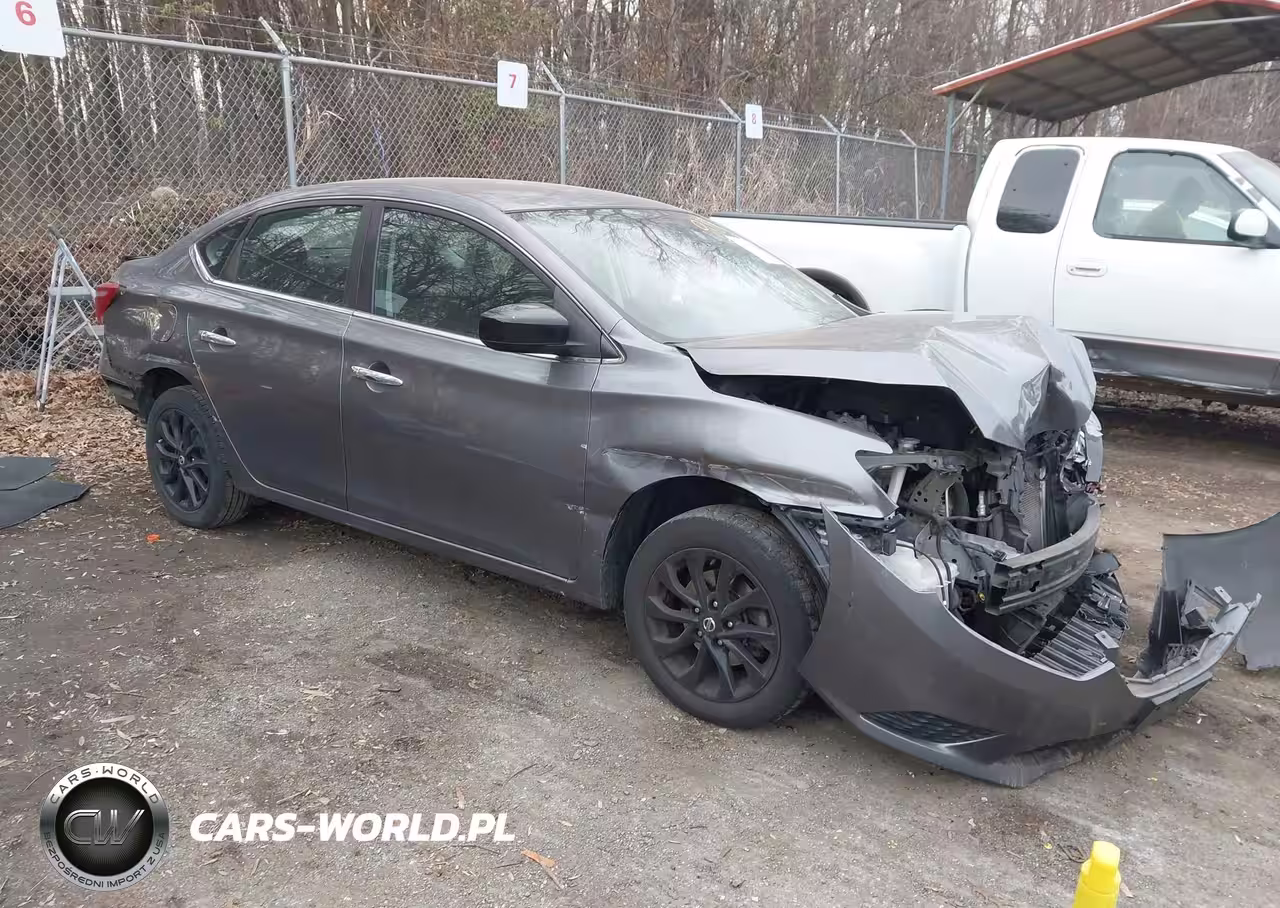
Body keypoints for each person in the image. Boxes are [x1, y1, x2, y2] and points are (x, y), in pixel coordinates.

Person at [1136, 176, 1204, 240]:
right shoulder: (1167, 219)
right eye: (1198, 201)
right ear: (1186, 198)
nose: (1197, 208)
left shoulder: (1167, 214)